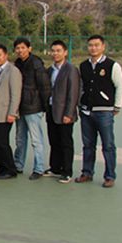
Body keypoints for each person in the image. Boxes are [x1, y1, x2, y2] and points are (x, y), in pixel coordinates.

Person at [76, 35, 122, 188]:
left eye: (96, 45)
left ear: (103, 46)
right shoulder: (84, 66)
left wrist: (117, 106)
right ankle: (87, 172)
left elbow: (120, 86)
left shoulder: (112, 65)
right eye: (90, 45)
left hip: (104, 112)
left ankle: (110, 176)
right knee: (88, 145)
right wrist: (80, 104)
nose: (93, 48)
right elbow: (81, 87)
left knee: (108, 145)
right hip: (86, 112)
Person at [13, 37, 51, 180]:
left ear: (29, 48)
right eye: (17, 48)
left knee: (36, 140)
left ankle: (38, 168)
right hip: (20, 107)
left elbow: (44, 86)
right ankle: (18, 165)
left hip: (33, 108)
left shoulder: (36, 63)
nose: (20, 50)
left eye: (23, 47)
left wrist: (45, 106)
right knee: (20, 139)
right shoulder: (17, 64)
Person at [45, 40, 80, 183]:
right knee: (54, 141)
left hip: (64, 113)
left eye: (58, 51)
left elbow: (73, 93)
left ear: (65, 52)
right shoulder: (50, 70)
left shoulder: (70, 69)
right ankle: (55, 168)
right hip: (52, 110)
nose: (55, 53)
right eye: (53, 51)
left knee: (66, 142)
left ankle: (66, 171)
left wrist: (69, 113)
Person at [0, 44, 22, 180]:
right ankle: (1, 167)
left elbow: (16, 94)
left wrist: (12, 113)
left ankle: (10, 169)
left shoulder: (13, 71)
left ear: (6, 55)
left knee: (2, 142)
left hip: (5, 113)